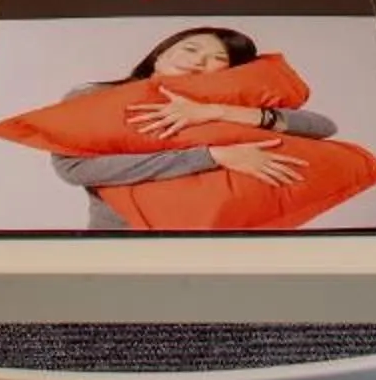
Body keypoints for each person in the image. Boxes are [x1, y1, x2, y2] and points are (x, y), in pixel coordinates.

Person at [46, 28, 339, 231]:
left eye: (218, 59)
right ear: (160, 55)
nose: (199, 60)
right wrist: (212, 156)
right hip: (122, 235)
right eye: (190, 49)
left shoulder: (226, 102)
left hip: (215, 237)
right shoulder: (93, 96)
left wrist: (217, 111)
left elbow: (322, 127)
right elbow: (74, 168)